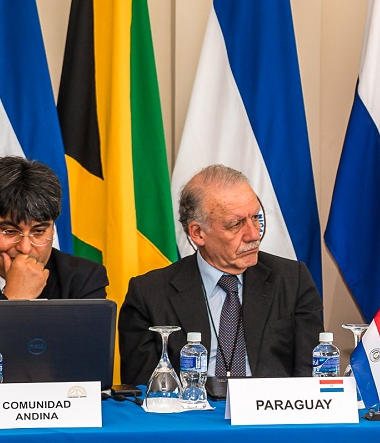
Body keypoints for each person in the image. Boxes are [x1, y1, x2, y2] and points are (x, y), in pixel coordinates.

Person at [119, 164, 323, 385]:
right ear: (198, 233)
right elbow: (143, 387)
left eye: (255, 218)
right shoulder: (149, 294)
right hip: (190, 406)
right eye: (235, 224)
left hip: (270, 405)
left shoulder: (293, 280)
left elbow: (311, 376)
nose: (254, 234)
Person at [0, 156, 108, 326]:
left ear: (52, 229)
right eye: (10, 232)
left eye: (38, 232)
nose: (25, 248)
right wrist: (14, 299)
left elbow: (86, 343)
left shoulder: (84, 279)